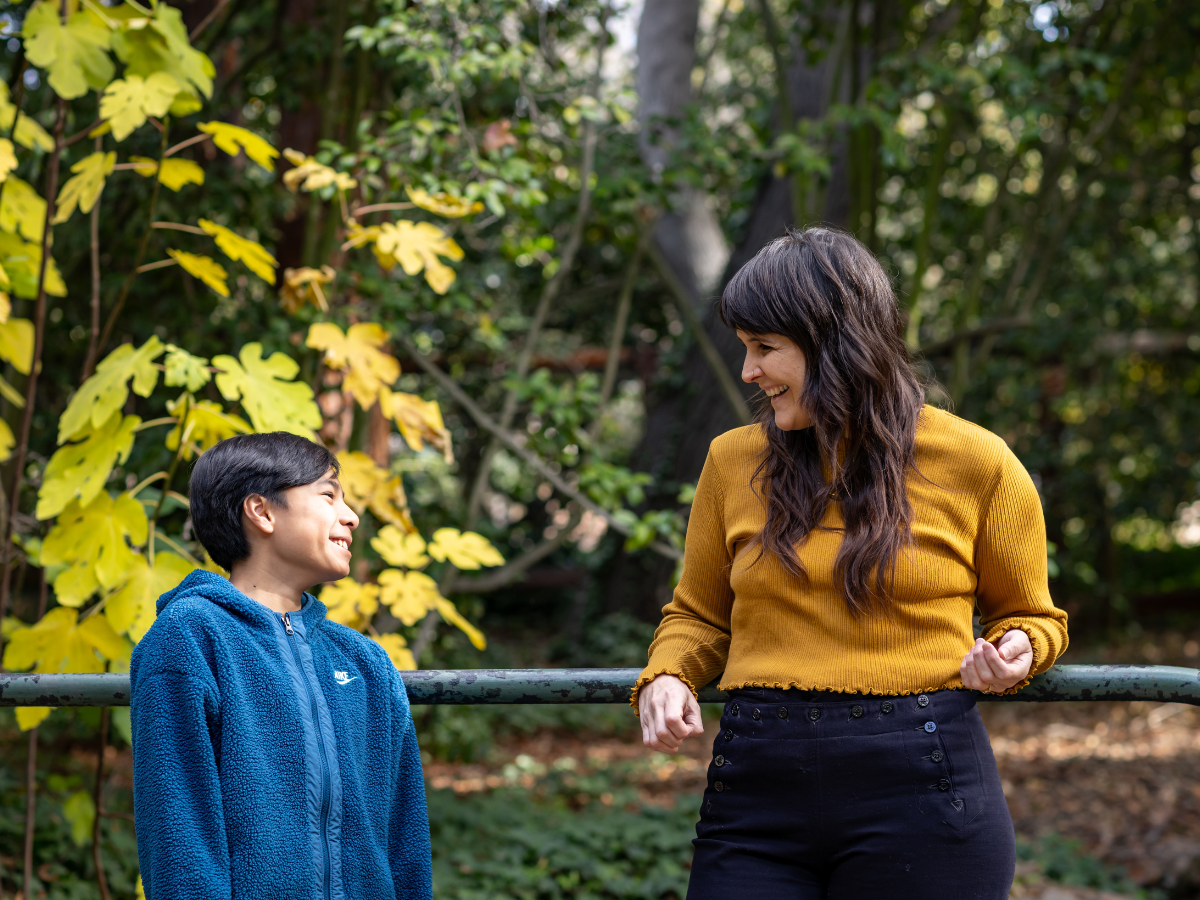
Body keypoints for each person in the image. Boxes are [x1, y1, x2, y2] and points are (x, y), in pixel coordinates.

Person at [634, 228, 1068, 899]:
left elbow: (1032, 616)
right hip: (755, 789)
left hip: (923, 786)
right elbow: (696, 614)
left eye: (765, 349)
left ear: (834, 341)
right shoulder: (731, 461)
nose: (749, 372)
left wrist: (1016, 649)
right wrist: (666, 675)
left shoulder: (977, 462)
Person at [130, 432, 431, 900]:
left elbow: (404, 832)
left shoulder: (365, 661)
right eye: (328, 495)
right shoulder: (192, 635)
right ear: (262, 511)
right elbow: (176, 823)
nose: (350, 516)